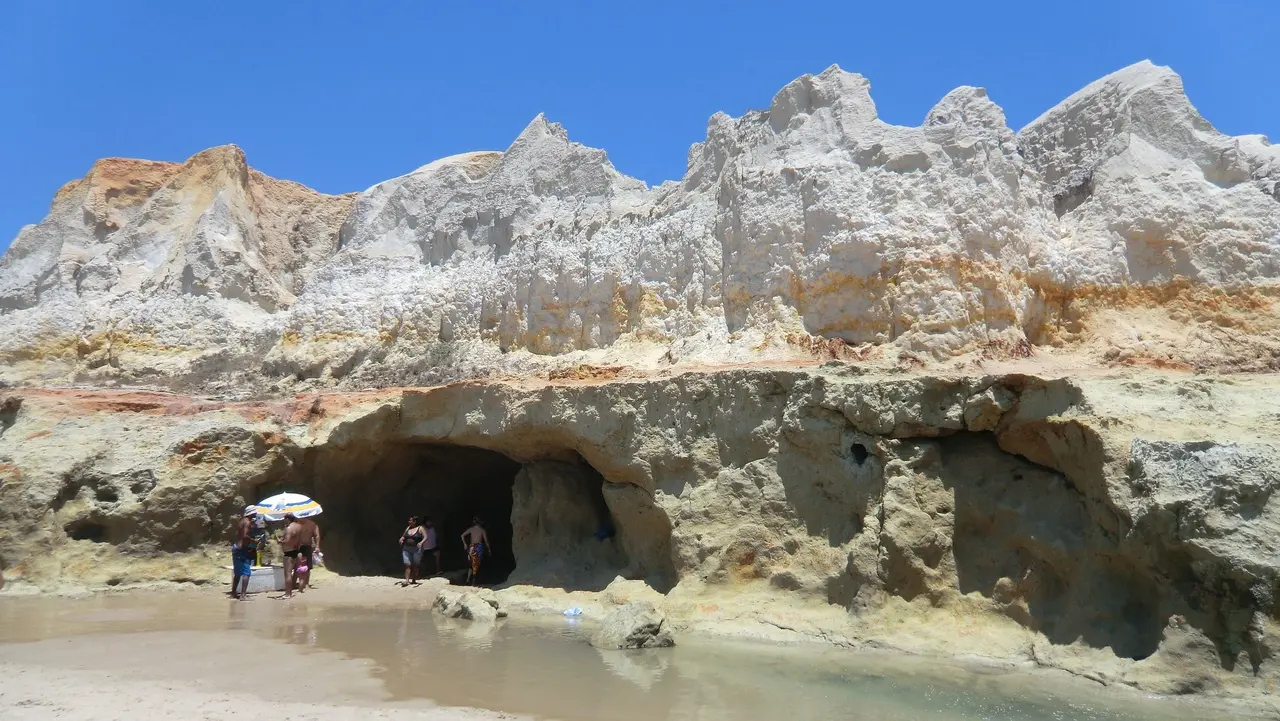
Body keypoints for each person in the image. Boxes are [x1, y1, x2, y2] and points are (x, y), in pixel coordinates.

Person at [230, 506, 258, 601]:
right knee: (246, 572)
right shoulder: (247, 522)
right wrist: (253, 540)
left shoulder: (241, 521)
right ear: (251, 513)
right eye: (255, 513)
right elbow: (245, 535)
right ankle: (243, 595)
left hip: (236, 547)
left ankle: (233, 593)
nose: (256, 514)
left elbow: (239, 534)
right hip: (242, 549)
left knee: (237, 572)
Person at [279, 513, 303, 599]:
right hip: (296, 551)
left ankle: (288, 594)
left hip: (289, 553)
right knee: (296, 572)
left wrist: (280, 541)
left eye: (284, 519)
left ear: (287, 519)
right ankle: (290, 592)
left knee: (288, 574)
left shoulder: (288, 528)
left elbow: (287, 541)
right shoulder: (299, 527)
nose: (284, 521)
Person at [295, 516, 321, 593]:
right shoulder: (296, 523)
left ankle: (306, 584)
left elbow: (317, 535)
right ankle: (298, 584)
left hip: (306, 546)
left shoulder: (312, 524)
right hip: (298, 546)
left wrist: (317, 546)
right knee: (297, 565)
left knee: (308, 566)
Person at [462, 516, 489, 585]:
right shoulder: (482, 530)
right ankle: (474, 581)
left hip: (471, 547)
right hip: (478, 547)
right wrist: (489, 549)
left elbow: (462, 535)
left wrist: (465, 544)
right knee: (476, 564)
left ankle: (468, 580)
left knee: (471, 564)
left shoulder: (471, 529)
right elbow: (486, 541)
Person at [400, 516, 426, 586]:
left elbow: (425, 537)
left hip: (417, 549)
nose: (409, 522)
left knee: (415, 565)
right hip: (406, 548)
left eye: (410, 520)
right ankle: (407, 580)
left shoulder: (420, 528)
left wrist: (421, 542)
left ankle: (414, 580)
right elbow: (404, 536)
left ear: (414, 522)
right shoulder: (408, 528)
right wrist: (401, 539)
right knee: (407, 564)